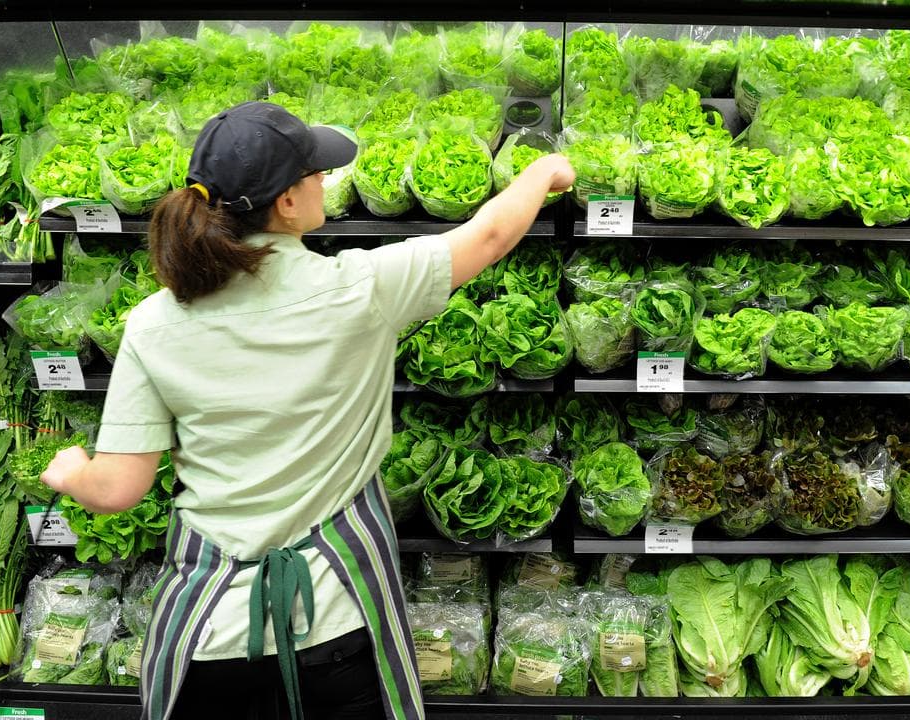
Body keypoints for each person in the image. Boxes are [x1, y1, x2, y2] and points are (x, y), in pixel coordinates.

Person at [39, 101, 574, 720]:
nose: (326, 178)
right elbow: (489, 235)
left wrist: (71, 471)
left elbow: (117, 490)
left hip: (212, 629)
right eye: (316, 171)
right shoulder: (361, 288)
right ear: (287, 202)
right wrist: (543, 171)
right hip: (336, 620)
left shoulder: (152, 322)